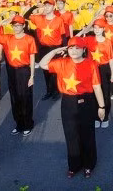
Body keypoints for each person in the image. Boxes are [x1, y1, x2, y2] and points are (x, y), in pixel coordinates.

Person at [39, 37, 106, 178]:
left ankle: (89, 164)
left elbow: (96, 86)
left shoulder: (91, 64)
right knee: (71, 135)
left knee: (87, 134)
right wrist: (56, 51)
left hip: (87, 101)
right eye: (71, 48)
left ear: (83, 49)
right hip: (68, 102)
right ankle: (74, 165)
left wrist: (101, 106)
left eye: (77, 48)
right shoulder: (62, 63)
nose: (74, 51)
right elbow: (43, 64)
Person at [0, 15, 36, 136]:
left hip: (24, 70)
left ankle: (28, 123)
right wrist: (1, 22)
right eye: (14, 26)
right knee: (14, 97)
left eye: (18, 25)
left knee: (25, 97)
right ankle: (19, 124)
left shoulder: (29, 39)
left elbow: (32, 58)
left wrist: (32, 76)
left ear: (24, 26)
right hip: (11, 70)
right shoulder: (7, 38)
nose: (16, 28)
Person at [86, 18, 113, 128]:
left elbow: (111, 58)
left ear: (103, 29)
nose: (97, 30)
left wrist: (112, 73)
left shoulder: (107, 41)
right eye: (95, 28)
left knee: (105, 93)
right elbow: (82, 33)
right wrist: (93, 19)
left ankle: (105, 116)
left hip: (104, 68)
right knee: (93, 93)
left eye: (99, 28)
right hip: (91, 69)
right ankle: (96, 116)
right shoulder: (89, 39)